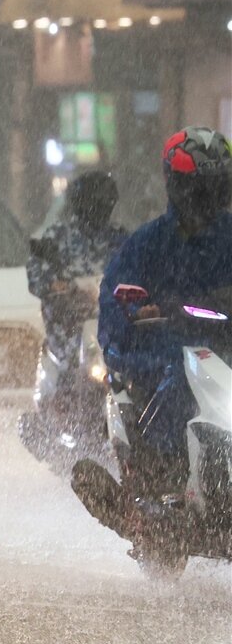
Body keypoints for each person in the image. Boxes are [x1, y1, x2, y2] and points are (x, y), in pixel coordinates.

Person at [90, 127, 232, 504]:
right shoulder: (147, 243)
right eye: (201, 187)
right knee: (180, 374)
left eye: (218, 185)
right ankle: (163, 475)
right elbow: (116, 300)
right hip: (168, 347)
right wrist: (138, 315)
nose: (210, 197)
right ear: (178, 186)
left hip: (226, 343)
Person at [27, 170, 127, 366]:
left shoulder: (120, 239)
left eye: (105, 203)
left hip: (111, 328)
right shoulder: (58, 236)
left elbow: (139, 270)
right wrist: (56, 286)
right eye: (95, 203)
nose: (99, 209)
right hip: (66, 331)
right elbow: (36, 274)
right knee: (62, 371)